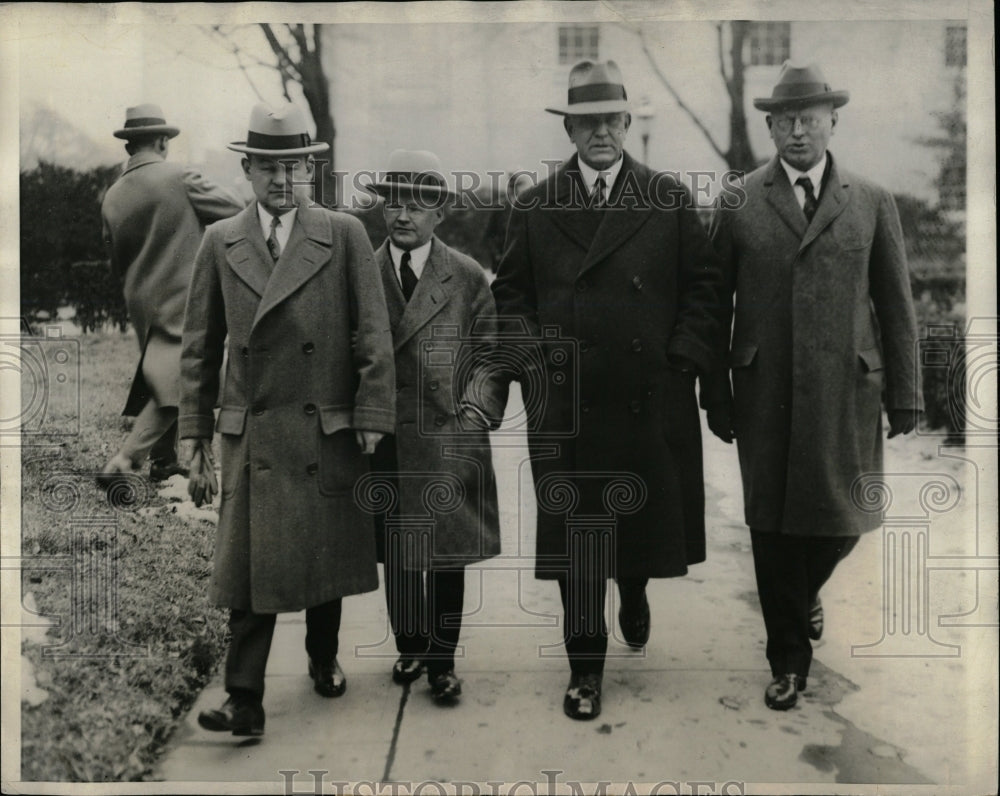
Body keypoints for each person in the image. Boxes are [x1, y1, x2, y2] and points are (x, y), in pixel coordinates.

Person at [491, 60, 725, 720]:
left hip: (647, 395)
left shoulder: (669, 199)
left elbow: (704, 289)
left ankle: (637, 589)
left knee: (638, 527)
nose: (601, 133)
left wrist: (682, 355)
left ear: (627, 123)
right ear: (569, 129)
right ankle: (585, 669)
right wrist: (535, 356)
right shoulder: (536, 206)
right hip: (568, 403)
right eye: (587, 122)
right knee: (577, 541)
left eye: (611, 120)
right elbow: (509, 294)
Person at [704, 62, 922, 711]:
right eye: (786, 121)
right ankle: (788, 658)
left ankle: (804, 598)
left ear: (833, 121)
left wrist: (906, 392)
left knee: (843, 521)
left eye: (811, 119)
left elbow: (897, 302)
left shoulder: (871, 199)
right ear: (770, 126)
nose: (798, 131)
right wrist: (714, 392)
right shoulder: (738, 200)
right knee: (771, 526)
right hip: (763, 389)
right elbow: (713, 306)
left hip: (845, 391)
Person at [179, 102, 396, 736]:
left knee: (321, 555)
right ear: (247, 170)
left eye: (294, 167)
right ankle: (244, 696)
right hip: (254, 430)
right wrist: (193, 431)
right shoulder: (220, 243)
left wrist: (374, 407)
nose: (282, 180)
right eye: (269, 167)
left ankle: (322, 656)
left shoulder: (345, 233)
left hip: (323, 423)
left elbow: (373, 330)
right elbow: (198, 344)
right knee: (250, 565)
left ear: (311, 170)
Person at [363, 149, 507, 703]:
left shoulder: (466, 275)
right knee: (397, 547)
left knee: (447, 552)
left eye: (418, 203)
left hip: (448, 435)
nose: (403, 214)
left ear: (440, 212)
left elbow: (492, 355)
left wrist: (474, 416)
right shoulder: (363, 271)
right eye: (393, 201)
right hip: (386, 435)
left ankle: (442, 660)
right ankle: (410, 643)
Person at [99, 104, 243, 485]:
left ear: (130, 147)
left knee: (161, 376)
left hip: (141, 299)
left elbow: (112, 258)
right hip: (185, 293)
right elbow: (235, 209)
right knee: (183, 380)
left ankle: (164, 462)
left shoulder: (112, 195)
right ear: (162, 141)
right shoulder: (179, 176)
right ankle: (125, 460)